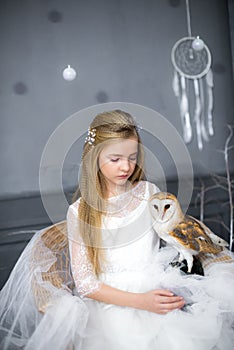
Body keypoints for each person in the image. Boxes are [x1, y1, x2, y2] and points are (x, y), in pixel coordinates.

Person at [0, 109, 234, 350]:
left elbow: (170, 233)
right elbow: (87, 285)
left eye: (132, 157)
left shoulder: (148, 193)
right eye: (115, 159)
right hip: (113, 304)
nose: (126, 167)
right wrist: (142, 302)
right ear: (94, 158)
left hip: (157, 287)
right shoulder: (79, 213)